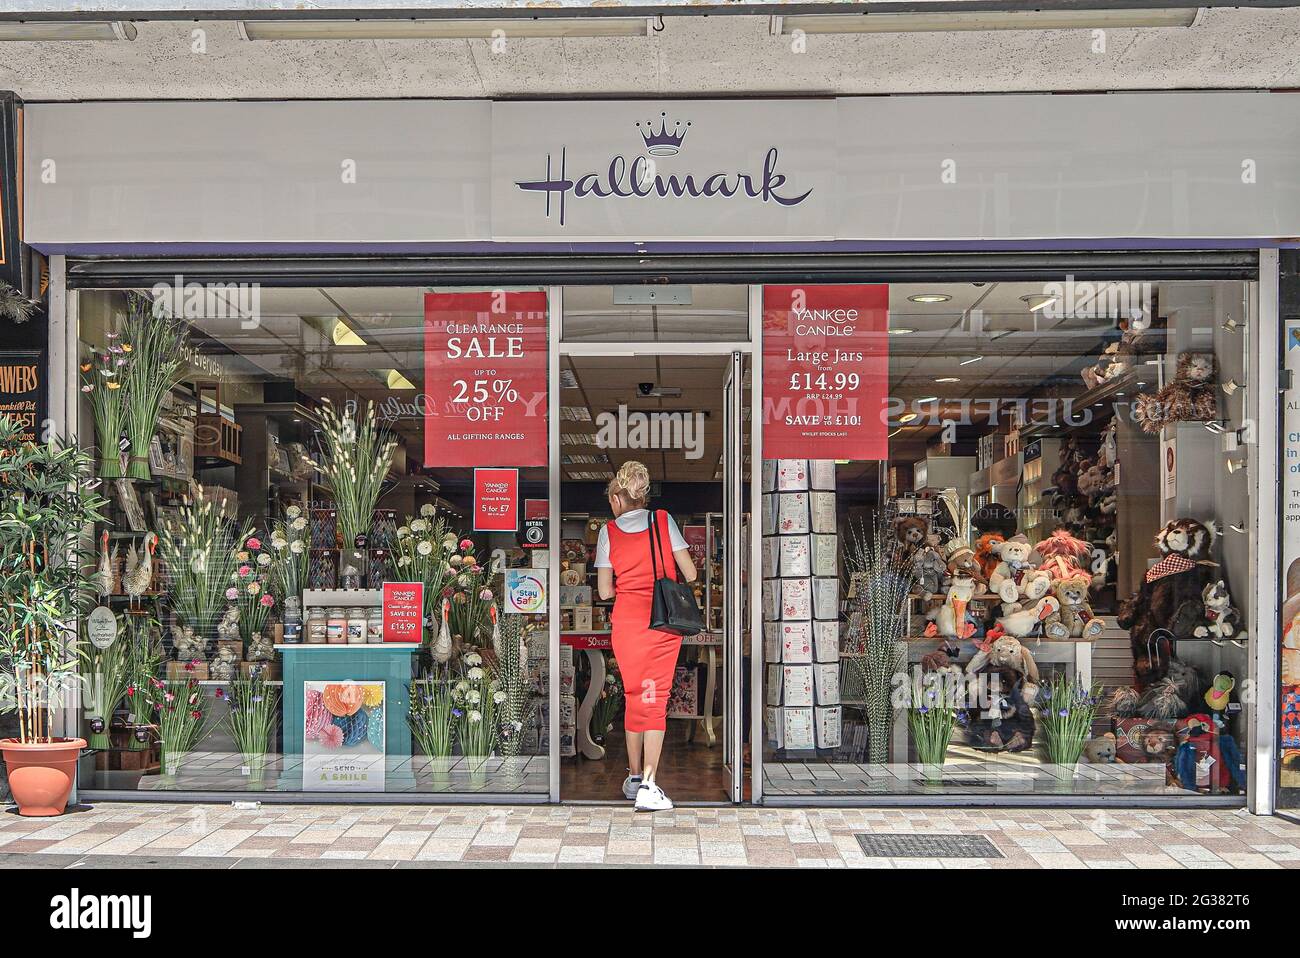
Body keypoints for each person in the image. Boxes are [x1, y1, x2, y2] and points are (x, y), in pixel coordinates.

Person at [595, 460, 697, 811]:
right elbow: (691, 573)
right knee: (656, 700)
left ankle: (635, 776)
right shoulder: (663, 521)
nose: (611, 505)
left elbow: (605, 591)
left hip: (626, 625)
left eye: (611, 498)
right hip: (661, 623)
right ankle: (650, 786)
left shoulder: (607, 532)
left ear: (621, 497)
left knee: (635, 695)